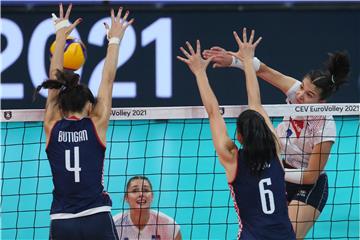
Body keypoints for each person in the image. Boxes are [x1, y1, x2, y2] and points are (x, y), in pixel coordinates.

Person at [202, 33, 350, 238]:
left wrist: (274, 170)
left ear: (321, 103)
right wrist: (235, 61)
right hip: (279, 171)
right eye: (302, 88)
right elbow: (263, 71)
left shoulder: (326, 126)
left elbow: (310, 176)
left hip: (307, 186)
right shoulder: (296, 92)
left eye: (309, 95)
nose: (300, 95)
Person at [177, 29, 295, 239]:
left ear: (239, 136)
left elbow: (214, 113)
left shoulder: (232, 158)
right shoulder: (275, 149)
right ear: (264, 130)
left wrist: (199, 72)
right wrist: (247, 61)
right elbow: (255, 102)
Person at [34, 4, 134, 239]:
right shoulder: (96, 124)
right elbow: (107, 80)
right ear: (89, 106)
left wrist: (61, 32)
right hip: (96, 216)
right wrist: (115, 39)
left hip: (62, 220)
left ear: (60, 106)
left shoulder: (52, 125)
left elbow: (53, 79)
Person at [113, 176, 182, 240]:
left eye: (145, 190)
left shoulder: (168, 225)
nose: (141, 194)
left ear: (152, 196)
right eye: (135, 191)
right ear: (126, 198)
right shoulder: (114, 225)